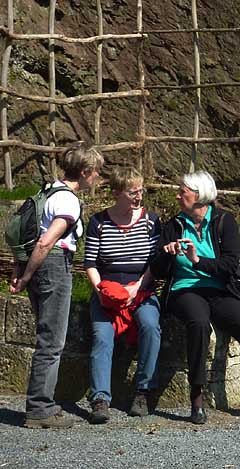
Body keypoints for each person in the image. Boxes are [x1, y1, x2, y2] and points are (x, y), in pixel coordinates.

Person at [151, 171, 240, 424]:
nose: (177, 196)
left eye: (182, 192)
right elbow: (160, 271)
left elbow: (229, 265)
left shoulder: (224, 221)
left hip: (220, 288)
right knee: (198, 324)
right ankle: (197, 397)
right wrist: (167, 253)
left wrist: (197, 260)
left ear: (198, 196)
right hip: (185, 289)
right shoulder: (173, 225)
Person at [11, 143, 104, 428]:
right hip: (52, 266)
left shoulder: (48, 191)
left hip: (39, 266)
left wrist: (22, 269)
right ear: (85, 172)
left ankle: (43, 404)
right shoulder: (68, 201)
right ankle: (40, 409)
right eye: (96, 172)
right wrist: (26, 275)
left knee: (46, 337)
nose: (98, 177)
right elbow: (45, 240)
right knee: (52, 341)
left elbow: (28, 236)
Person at [84, 167, 161, 424]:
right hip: (107, 289)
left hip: (141, 287)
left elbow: (155, 262)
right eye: (132, 192)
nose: (139, 197)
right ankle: (100, 399)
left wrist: (136, 288)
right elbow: (90, 263)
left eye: (140, 191)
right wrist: (102, 292)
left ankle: (143, 391)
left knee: (150, 326)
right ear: (117, 193)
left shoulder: (151, 220)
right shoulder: (99, 222)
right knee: (102, 337)